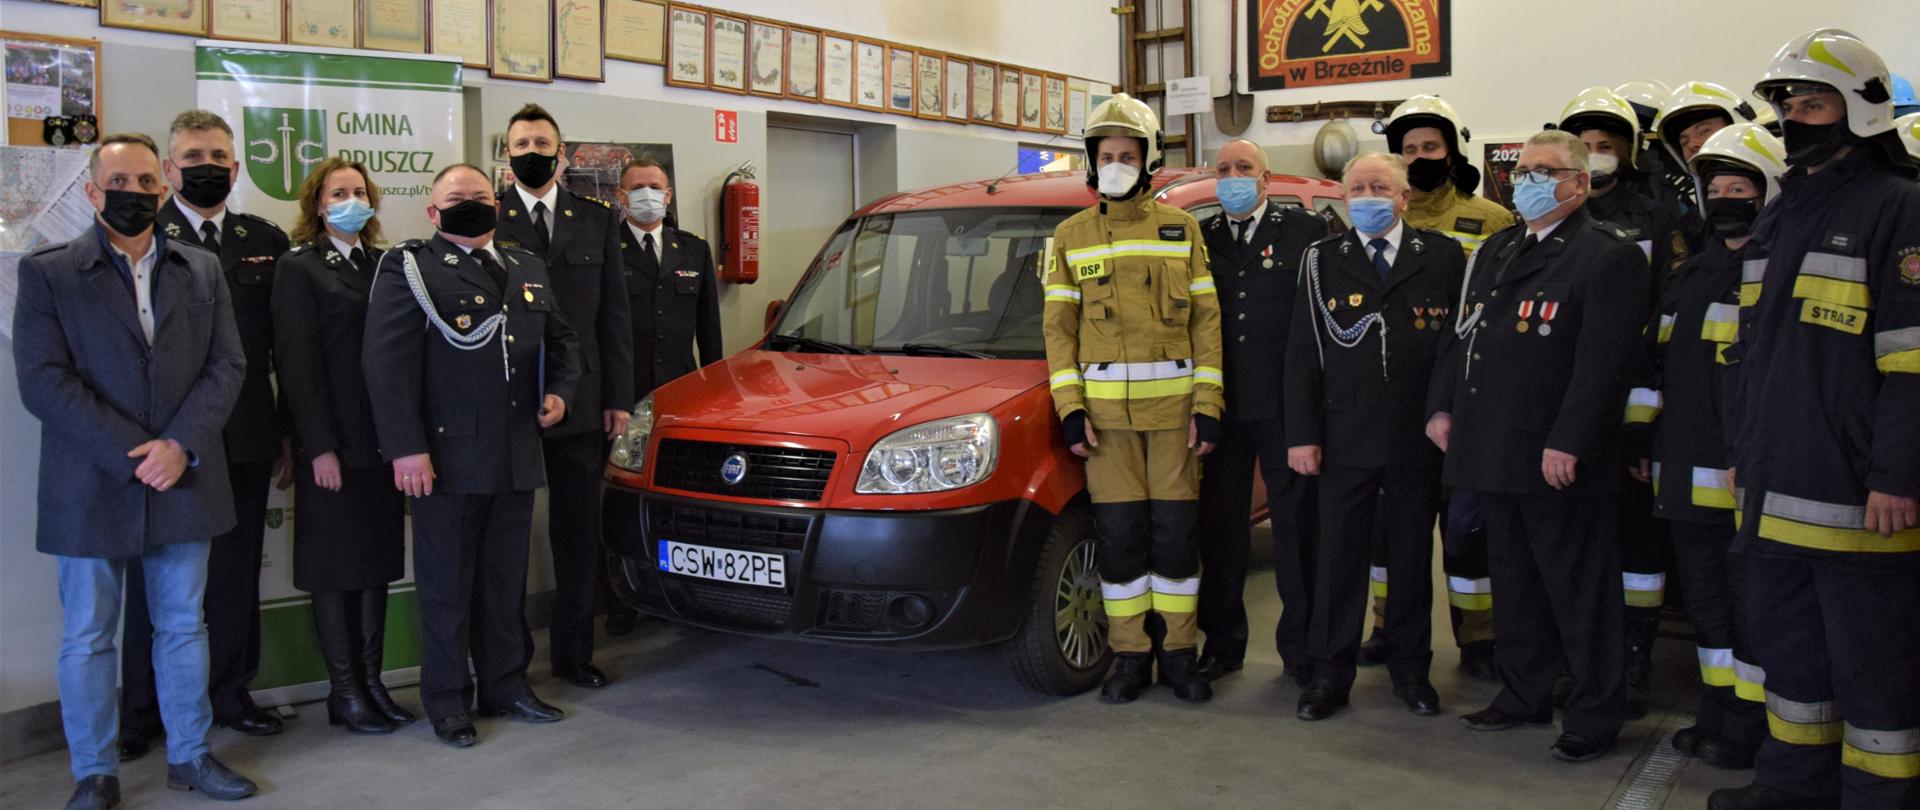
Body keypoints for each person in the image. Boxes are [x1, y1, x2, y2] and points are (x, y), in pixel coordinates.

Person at [13, 133, 256, 808]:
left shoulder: (201, 269)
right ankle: (95, 772)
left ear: (163, 187)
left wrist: (178, 445)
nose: (134, 193)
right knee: (90, 635)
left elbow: (227, 366)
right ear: (92, 192)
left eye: (146, 181)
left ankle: (190, 755)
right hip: (90, 483)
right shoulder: (48, 272)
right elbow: (42, 381)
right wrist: (137, 451)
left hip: (185, 474)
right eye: (118, 181)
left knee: (184, 625)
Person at [1710, 28, 1920, 810]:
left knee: (1872, 667)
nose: (1798, 116)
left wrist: (1898, 476)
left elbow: (1912, 365)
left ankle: (1877, 799)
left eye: (1815, 101)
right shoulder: (1781, 214)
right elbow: (1750, 354)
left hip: (1858, 498)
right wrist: (1743, 455)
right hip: (1774, 485)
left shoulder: (1900, 210)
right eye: (1790, 103)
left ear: (1864, 109)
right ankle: (1791, 786)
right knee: (1790, 656)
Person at [1426, 129, 1649, 763]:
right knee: (1516, 583)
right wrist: (1441, 406)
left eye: (1544, 171)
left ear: (1578, 183)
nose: (1527, 181)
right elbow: (1460, 336)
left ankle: (1594, 712)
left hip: (1559, 458)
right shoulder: (1497, 250)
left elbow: (1603, 366)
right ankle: (1524, 692)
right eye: (1522, 170)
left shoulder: (1606, 256)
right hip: (1493, 448)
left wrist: (1569, 442)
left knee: (1579, 591)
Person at [362, 163, 582, 748]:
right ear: (433, 213)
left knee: (505, 582)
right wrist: (407, 449)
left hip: (515, 451)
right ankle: (447, 700)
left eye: (480, 197)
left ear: (498, 204)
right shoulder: (409, 267)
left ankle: (506, 686)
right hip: (446, 459)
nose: (470, 205)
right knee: (447, 587)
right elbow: (387, 367)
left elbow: (563, 342)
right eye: (456, 199)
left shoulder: (525, 265)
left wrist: (560, 392)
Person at [117, 111, 291, 758]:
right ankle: (141, 711)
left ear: (237, 166)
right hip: (164, 443)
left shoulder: (263, 241)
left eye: (218, 155)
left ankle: (230, 694)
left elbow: (281, 350)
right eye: (192, 156)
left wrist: (287, 434)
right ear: (168, 169)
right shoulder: (139, 238)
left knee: (236, 573)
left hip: (244, 436)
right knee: (157, 582)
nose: (206, 165)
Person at [1042, 94, 1222, 704]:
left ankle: (1178, 655)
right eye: (1106, 154)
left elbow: (1206, 323)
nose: (1116, 163)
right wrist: (1070, 409)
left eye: (1127, 154)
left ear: (1148, 161)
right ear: (1092, 163)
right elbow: (1058, 333)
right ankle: (1128, 657)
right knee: (1119, 544)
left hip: (1175, 420)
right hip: (1106, 428)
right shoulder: (1068, 237)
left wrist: (1208, 405)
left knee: (1174, 541)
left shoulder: (1183, 230)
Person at [1284, 153, 1464, 721]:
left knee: (1411, 556)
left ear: (1404, 197)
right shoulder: (1320, 260)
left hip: (1417, 435)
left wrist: (1445, 411)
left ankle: (1411, 670)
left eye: (1379, 186)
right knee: (1338, 558)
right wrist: (1302, 435)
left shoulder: (1440, 255)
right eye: (1357, 187)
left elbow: (1455, 347)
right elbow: (1301, 354)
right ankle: (1329, 674)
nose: (1367, 195)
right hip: (1344, 434)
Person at [1632, 124, 1786, 773]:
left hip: (1741, 480)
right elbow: (1656, 365)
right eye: (1715, 187)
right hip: (1679, 476)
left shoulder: (1777, 273)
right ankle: (1718, 710)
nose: (1725, 198)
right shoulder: (1691, 273)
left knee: (1753, 614)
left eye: (1740, 187)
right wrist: (1640, 437)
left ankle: (1753, 727)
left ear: (1768, 193)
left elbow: (1773, 384)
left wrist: (1748, 460)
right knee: (1707, 612)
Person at [270, 158, 413, 735]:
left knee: (376, 565)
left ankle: (373, 682)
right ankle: (345, 691)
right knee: (335, 569)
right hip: (331, 445)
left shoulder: (387, 264)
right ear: (318, 205)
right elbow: (296, 367)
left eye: (359, 191)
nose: (351, 199)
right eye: (339, 192)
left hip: (383, 442)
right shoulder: (299, 267)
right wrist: (318, 448)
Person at [1377, 94, 1517, 682]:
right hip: (1398, 402)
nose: (1419, 157)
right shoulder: (1385, 215)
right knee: (1391, 536)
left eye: (1429, 147)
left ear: (1453, 149)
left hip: (1463, 402)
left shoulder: (1491, 220)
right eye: (1408, 150)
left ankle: (1479, 638)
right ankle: (1386, 628)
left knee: (1465, 531)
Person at [495, 104, 633, 689]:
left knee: (577, 535)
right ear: (507, 153)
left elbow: (614, 316)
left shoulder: (597, 219)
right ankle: (509, 665)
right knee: (508, 541)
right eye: (521, 142)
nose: (532, 150)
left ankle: (575, 655)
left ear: (562, 151)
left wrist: (619, 398)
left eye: (541, 141)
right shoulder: (489, 217)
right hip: (510, 402)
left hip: (583, 399)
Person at [1556, 87, 1682, 716]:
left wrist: (1642, 419)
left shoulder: (1658, 217)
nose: (1599, 157)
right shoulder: (1555, 216)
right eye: (1588, 147)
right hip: (1566, 405)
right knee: (1577, 539)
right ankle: (1577, 659)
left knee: (1637, 542)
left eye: (1609, 147)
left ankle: (1635, 658)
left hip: (1631, 398)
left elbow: (1662, 316)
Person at [1189, 138, 1326, 684]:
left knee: (1296, 530)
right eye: (1223, 170)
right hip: (1220, 404)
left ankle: (1303, 650)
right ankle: (1222, 645)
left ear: (1266, 179)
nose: (1233, 177)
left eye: (1244, 168)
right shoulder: (1201, 238)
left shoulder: (1305, 235)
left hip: (1284, 408)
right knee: (1221, 532)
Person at [600, 157, 723, 636]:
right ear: (620, 197)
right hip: (622, 399)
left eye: (656, 187)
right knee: (620, 500)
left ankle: (685, 593)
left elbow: (709, 336)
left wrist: (716, 401)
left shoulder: (691, 250)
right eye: (637, 187)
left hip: (681, 399)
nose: (647, 194)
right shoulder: (606, 248)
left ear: (669, 196)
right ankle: (619, 600)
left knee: (681, 501)